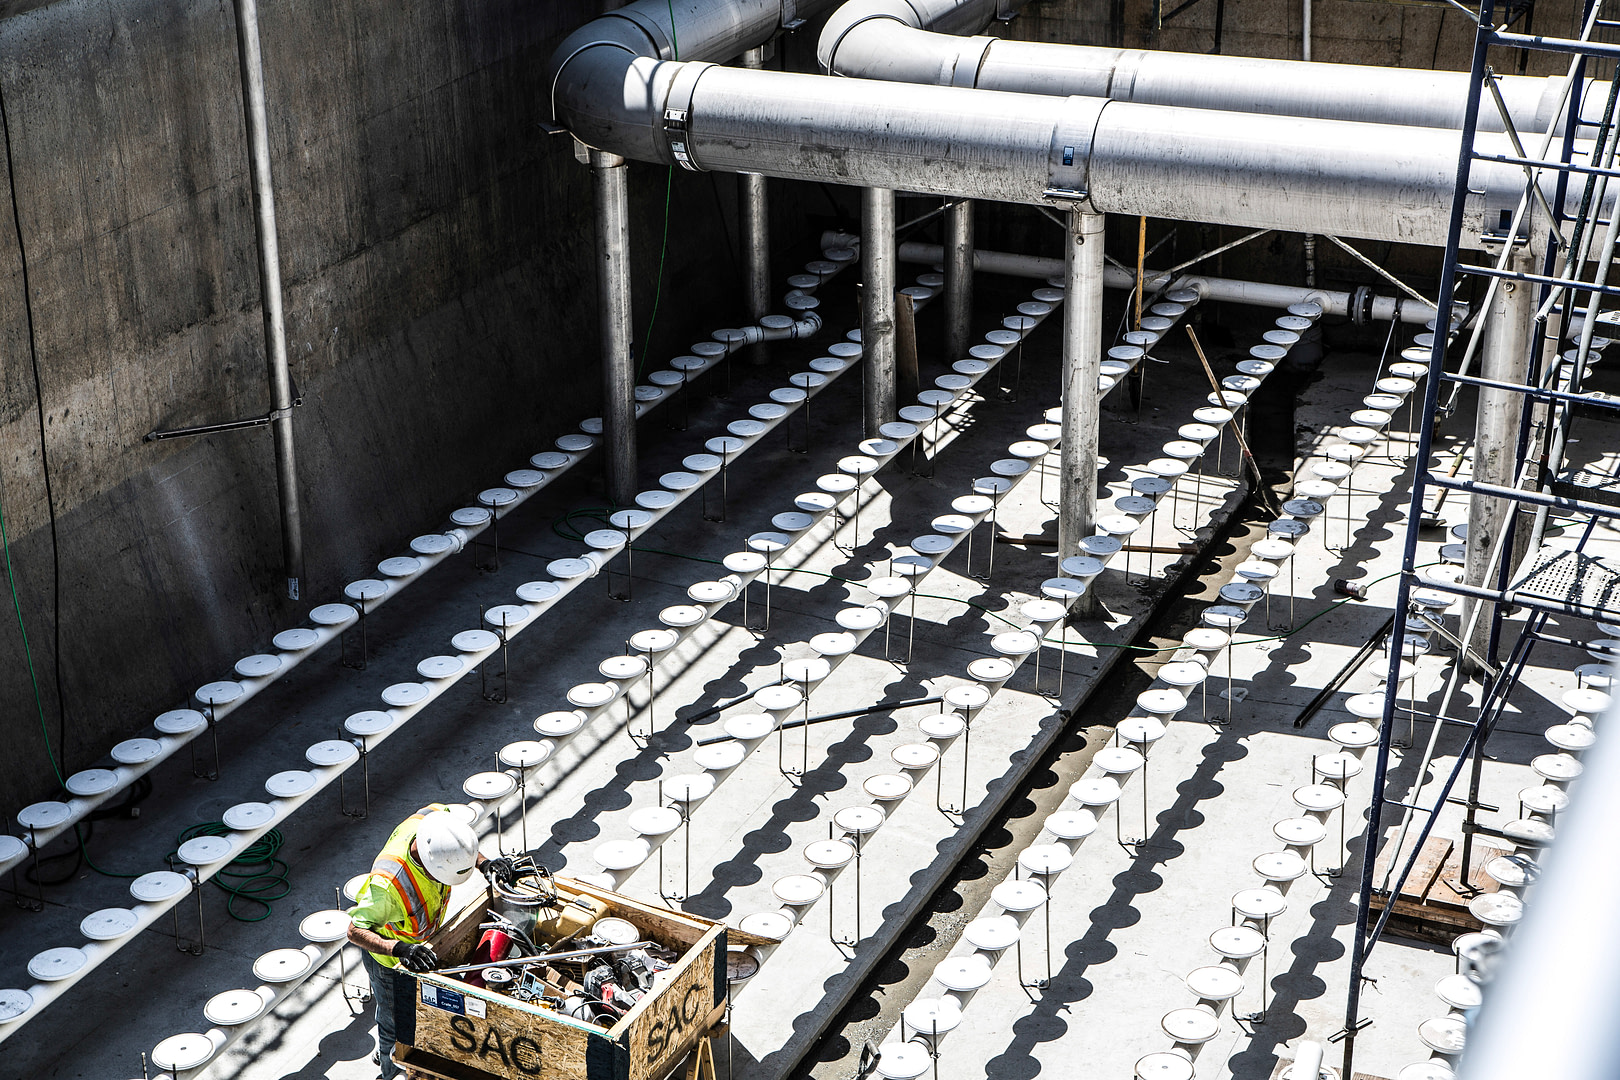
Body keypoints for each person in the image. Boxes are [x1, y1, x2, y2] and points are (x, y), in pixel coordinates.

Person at [346, 804, 516, 1079]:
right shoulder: (388, 886)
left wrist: (483, 861)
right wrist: (398, 949)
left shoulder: (434, 821)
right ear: (429, 862)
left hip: (421, 943)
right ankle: (391, 1072)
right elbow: (354, 931)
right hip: (391, 961)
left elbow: (457, 843)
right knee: (394, 1024)